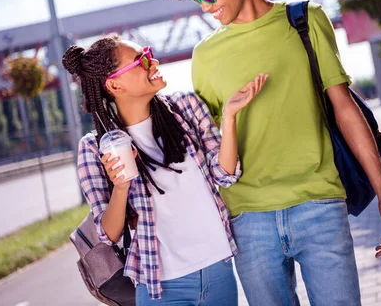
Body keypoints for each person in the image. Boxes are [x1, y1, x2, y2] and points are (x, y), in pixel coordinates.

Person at [162, 0, 381, 305]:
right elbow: (211, 151)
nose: (205, 7)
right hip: (248, 219)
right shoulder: (205, 56)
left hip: (319, 206)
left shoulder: (306, 21)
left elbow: (345, 110)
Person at [62, 34, 267, 305]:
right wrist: (121, 186)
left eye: (148, 53)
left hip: (218, 269)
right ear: (114, 84)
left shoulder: (186, 107)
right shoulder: (96, 147)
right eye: (141, 60)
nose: (153, 61)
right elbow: (108, 235)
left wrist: (229, 117)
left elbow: (225, 174)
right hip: (162, 288)